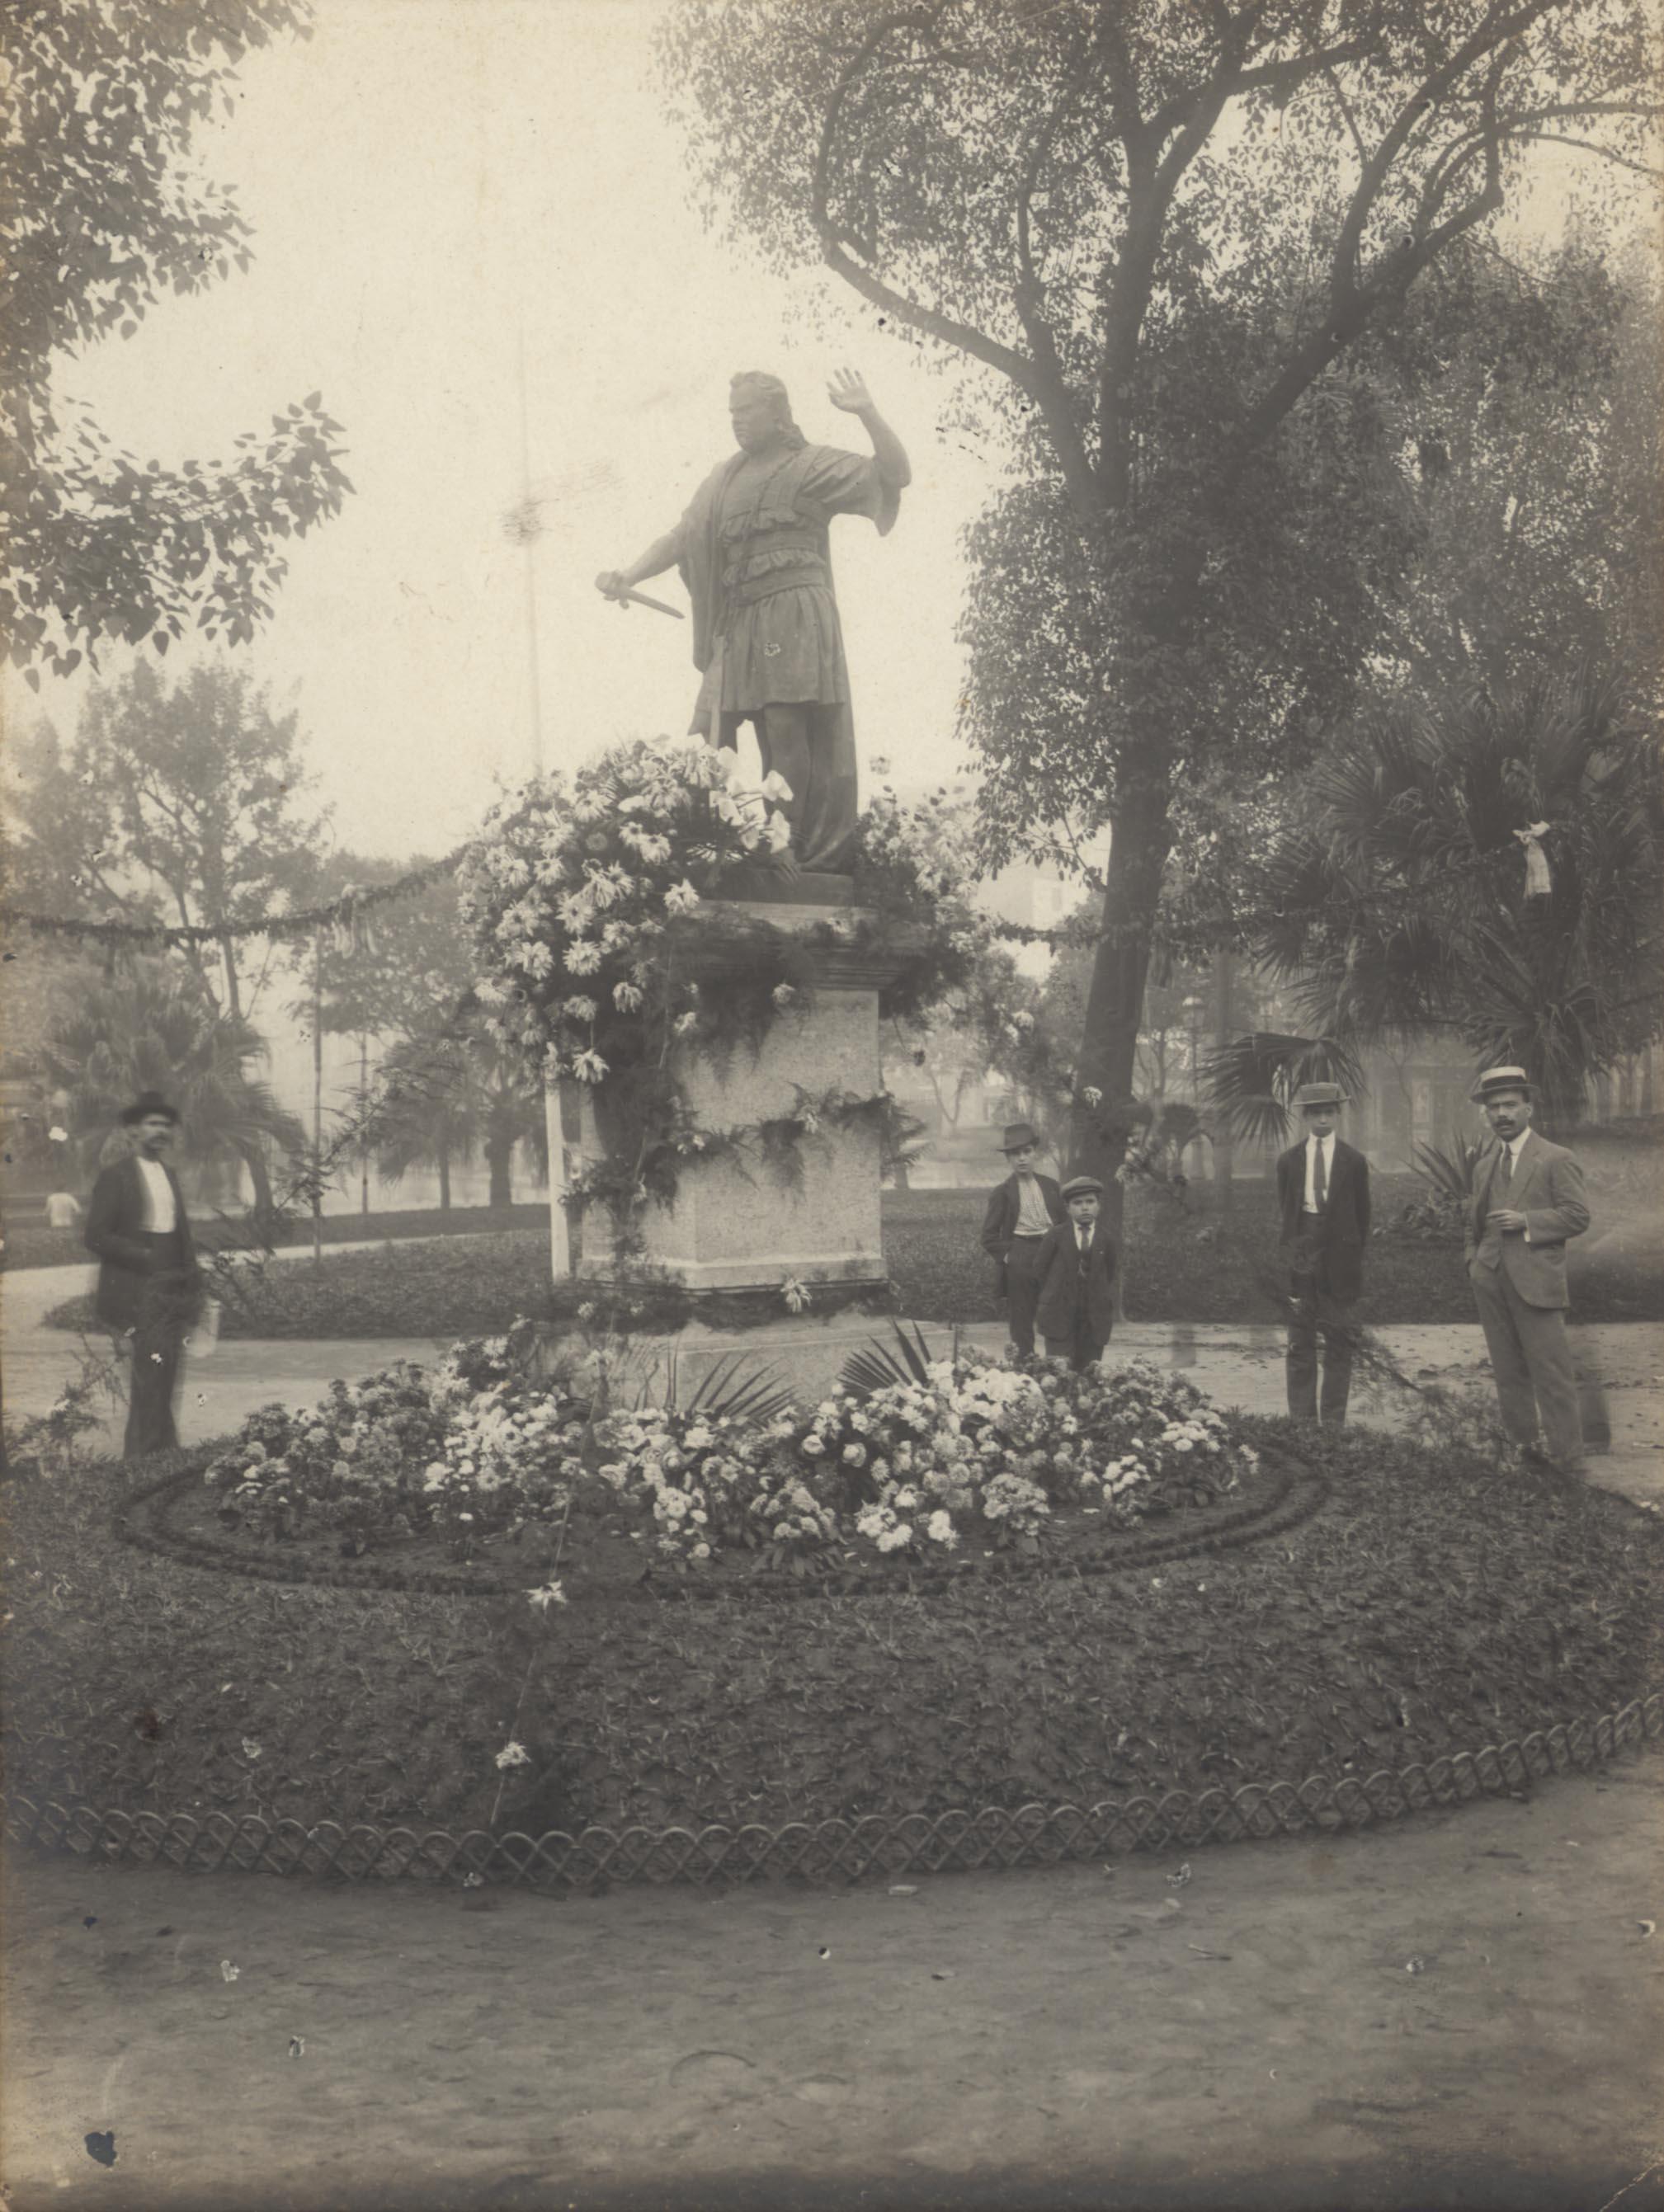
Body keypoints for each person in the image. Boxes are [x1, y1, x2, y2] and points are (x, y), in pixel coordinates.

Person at [596, 367, 911, 873]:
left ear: (777, 412)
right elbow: (682, 537)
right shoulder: (724, 479)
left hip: (792, 612)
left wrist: (867, 413)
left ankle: (786, 843)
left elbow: (894, 475)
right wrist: (627, 573)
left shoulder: (811, 465)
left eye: (747, 411)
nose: (738, 421)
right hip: (737, 620)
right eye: (733, 413)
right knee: (709, 736)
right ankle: (712, 846)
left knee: (787, 728)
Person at [1464, 1065, 1590, 1477]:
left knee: (1551, 1374)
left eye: (1510, 1106)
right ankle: (1526, 1455)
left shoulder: (1556, 1158)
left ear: (1529, 1109)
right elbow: (1474, 1221)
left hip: (1536, 1282)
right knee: (1507, 1372)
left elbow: (1577, 1216)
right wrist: (1475, 1262)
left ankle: (1568, 1463)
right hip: (1491, 1279)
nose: (1502, 1114)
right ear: (1486, 1113)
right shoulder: (1484, 1164)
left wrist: (1527, 1222)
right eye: (1494, 1107)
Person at [84, 1091, 202, 1462]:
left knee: (168, 1369)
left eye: (166, 1125)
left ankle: (163, 1451)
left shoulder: (168, 1174)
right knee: (150, 1369)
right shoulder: (116, 1176)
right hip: (139, 1284)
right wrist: (145, 1256)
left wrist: (192, 1277)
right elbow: (97, 1235)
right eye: (153, 1124)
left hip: (173, 1281)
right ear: (133, 1130)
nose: (161, 1132)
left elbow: (180, 1231)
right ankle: (141, 1456)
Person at [1275, 1080, 1371, 1427]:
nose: (1323, 1120)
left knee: (1338, 1342)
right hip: (1302, 1257)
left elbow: (1362, 1216)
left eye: (1329, 1112)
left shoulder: (1354, 1161)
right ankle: (1302, 1421)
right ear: (1305, 1117)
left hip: (1340, 1259)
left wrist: (1350, 1258)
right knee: (1300, 1342)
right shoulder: (1289, 1161)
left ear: (1338, 1115)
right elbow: (1287, 1211)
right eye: (1315, 1113)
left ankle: (1333, 1424)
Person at [979, 1122, 1065, 1358]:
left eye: (1026, 1152)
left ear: (1034, 1152)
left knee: (1055, 1312)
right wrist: (1011, 1256)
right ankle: (1027, 1368)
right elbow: (988, 1237)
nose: (1022, 1159)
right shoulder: (1003, 1192)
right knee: (1022, 1318)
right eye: (1015, 1154)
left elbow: (1065, 1224)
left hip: (1052, 1253)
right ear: (1008, 1158)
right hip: (1021, 1254)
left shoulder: (1051, 1187)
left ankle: (1057, 1365)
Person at [1035, 1174, 1118, 1372]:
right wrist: (1056, 1293)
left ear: (1099, 1205)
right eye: (1077, 1203)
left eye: (1090, 1202)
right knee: (1059, 1374)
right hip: (1060, 1318)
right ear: (1067, 1208)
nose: (1085, 1207)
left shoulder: (1107, 1239)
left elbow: (1110, 1272)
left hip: (1093, 1320)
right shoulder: (1055, 1236)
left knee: (1089, 1374)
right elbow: (1040, 1271)